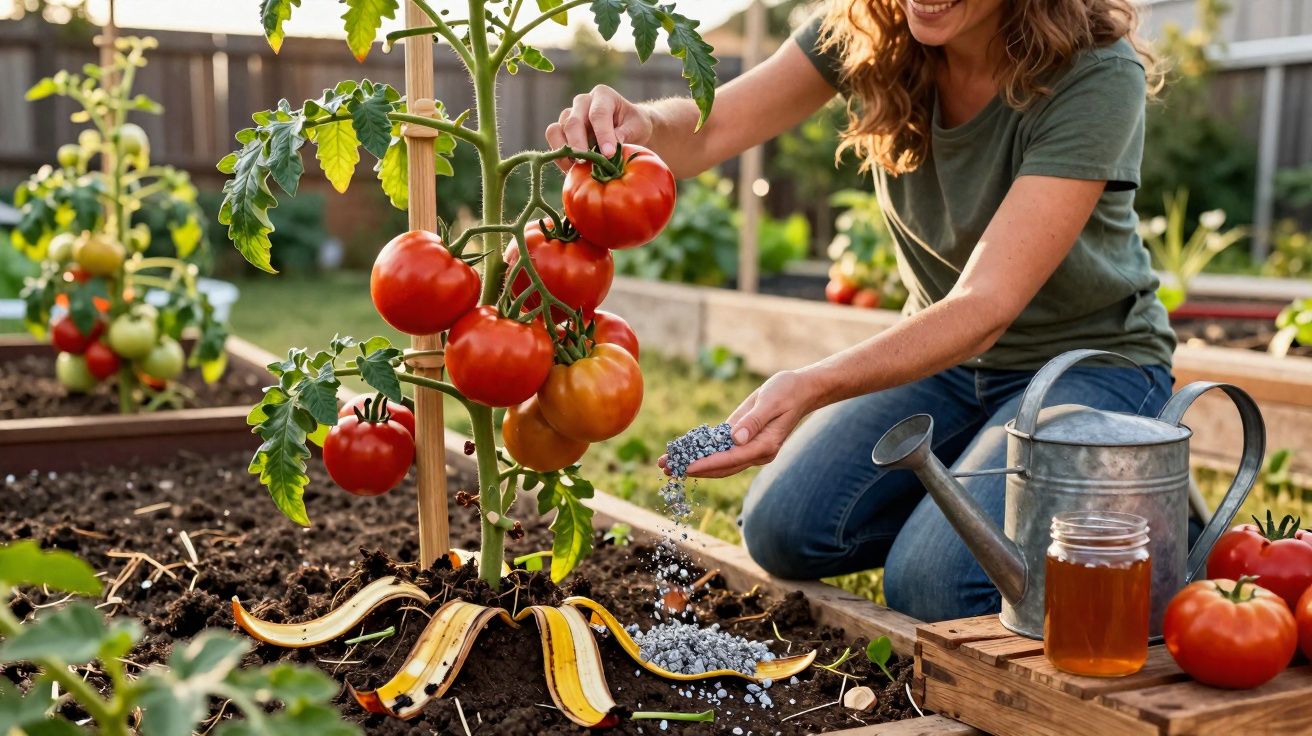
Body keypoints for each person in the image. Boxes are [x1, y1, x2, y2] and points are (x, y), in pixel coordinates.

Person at [546, 0, 1176, 622]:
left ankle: (1150, 521)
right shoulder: (868, 27)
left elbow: (987, 306)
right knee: (781, 530)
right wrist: (644, 127)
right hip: (950, 365)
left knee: (932, 587)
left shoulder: (1094, 69)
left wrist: (813, 385)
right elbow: (712, 129)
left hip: (1087, 371)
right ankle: (989, 502)